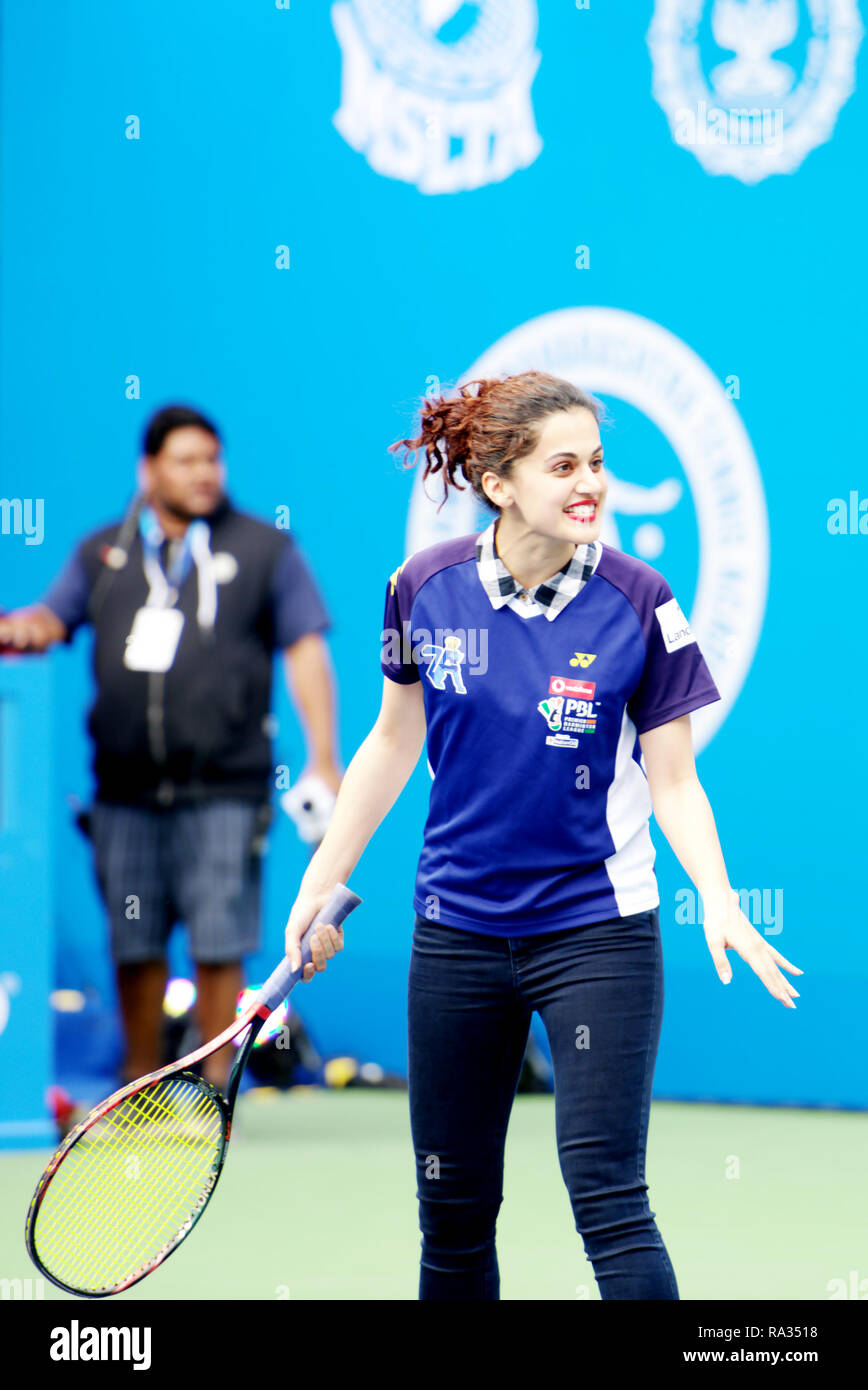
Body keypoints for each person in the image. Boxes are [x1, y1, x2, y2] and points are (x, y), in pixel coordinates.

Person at [281, 371, 803, 1301]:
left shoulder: (641, 601)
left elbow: (675, 780)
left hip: (597, 934)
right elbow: (392, 742)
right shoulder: (422, 590)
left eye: (596, 463)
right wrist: (324, 876)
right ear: (500, 483)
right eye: (563, 466)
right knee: (451, 1210)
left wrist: (718, 898)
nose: (590, 484)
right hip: (456, 935)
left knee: (610, 1199)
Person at [0, 404, 341, 1090]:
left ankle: (214, 1091)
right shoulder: (105, 553)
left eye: (212, 460)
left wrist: (323, 759)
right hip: (124, 790)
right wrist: (25, 627)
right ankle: (136, 1084)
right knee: (135, 943)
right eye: (185, 461)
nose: (203, 474)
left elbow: (306, 648)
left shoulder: (263, 549)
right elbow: (51, 617)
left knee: (220, 945)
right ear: (147, 470)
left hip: (225, 787)